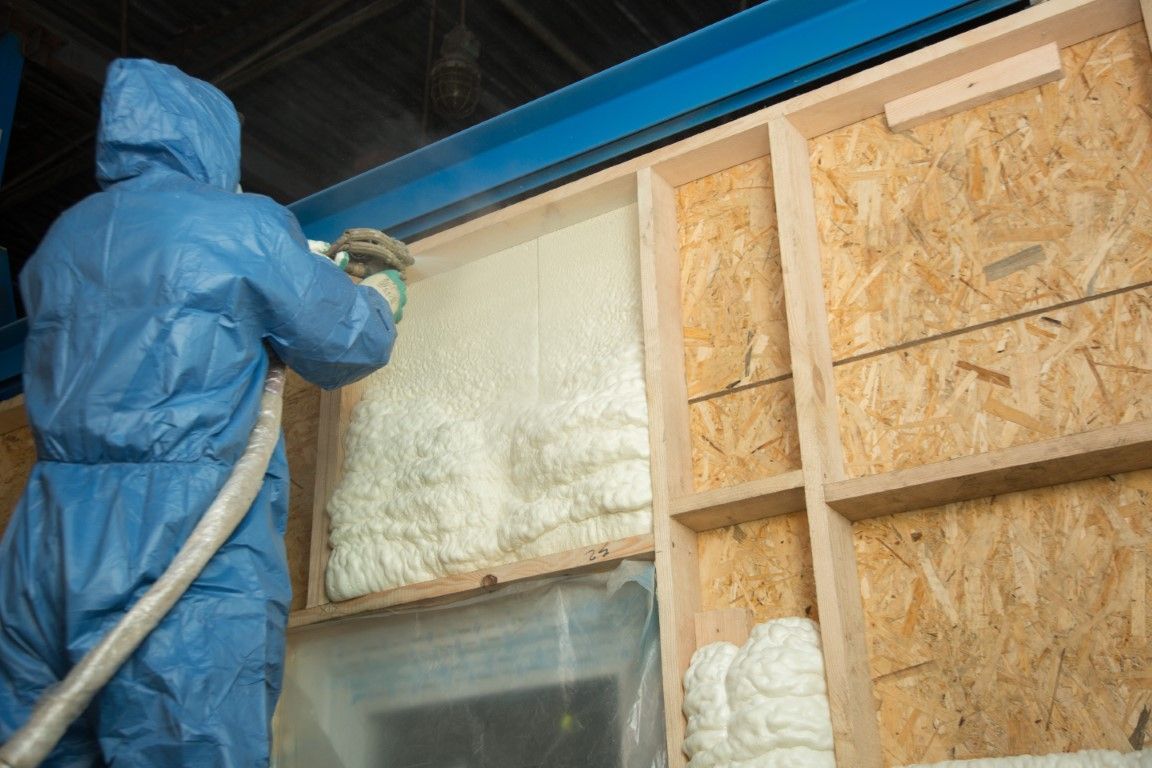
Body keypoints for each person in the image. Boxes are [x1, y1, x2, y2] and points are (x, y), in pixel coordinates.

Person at [0, 58, 401, 766]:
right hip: (181, 535)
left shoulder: (63, 238)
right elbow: (344, 344)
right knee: (192, 744)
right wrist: (382, 301)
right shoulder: (238, 225)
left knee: (45, 745)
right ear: (211, 141)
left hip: (45, 539)